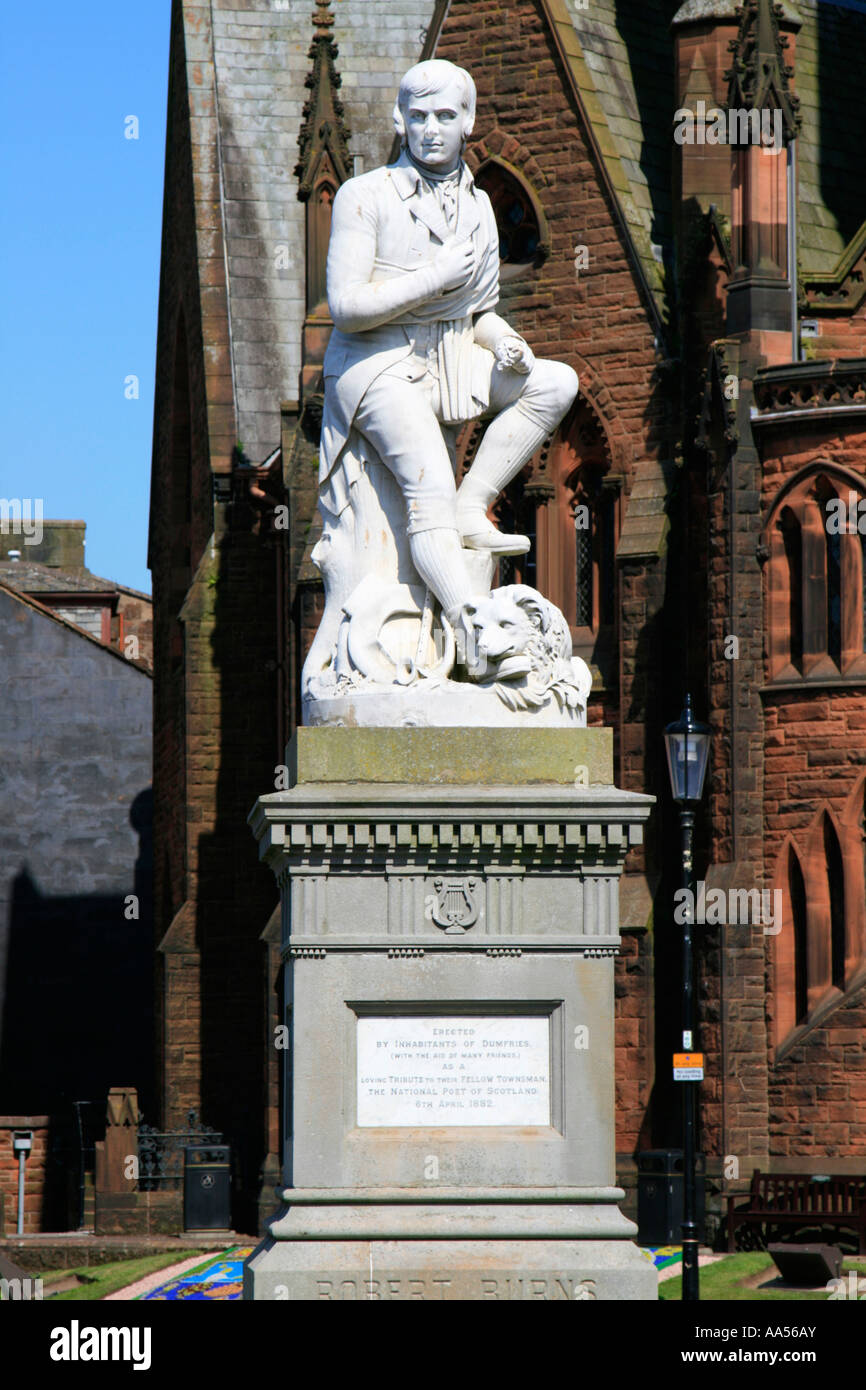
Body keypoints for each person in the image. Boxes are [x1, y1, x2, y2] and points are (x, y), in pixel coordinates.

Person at [319, 58, 578, 633]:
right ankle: (473, 624)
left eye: (444, 115)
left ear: (469, 121)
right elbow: (346, 307)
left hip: (451, 357)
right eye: (417, 116)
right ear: (398, 120)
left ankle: (473, 503)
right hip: (377, 363)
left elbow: (477, 312)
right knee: (430, 485)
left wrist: (506, 340)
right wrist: (433, 276)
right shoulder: (365, 195)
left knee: (555, 382)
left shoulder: (481, 209)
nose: (430, 128)